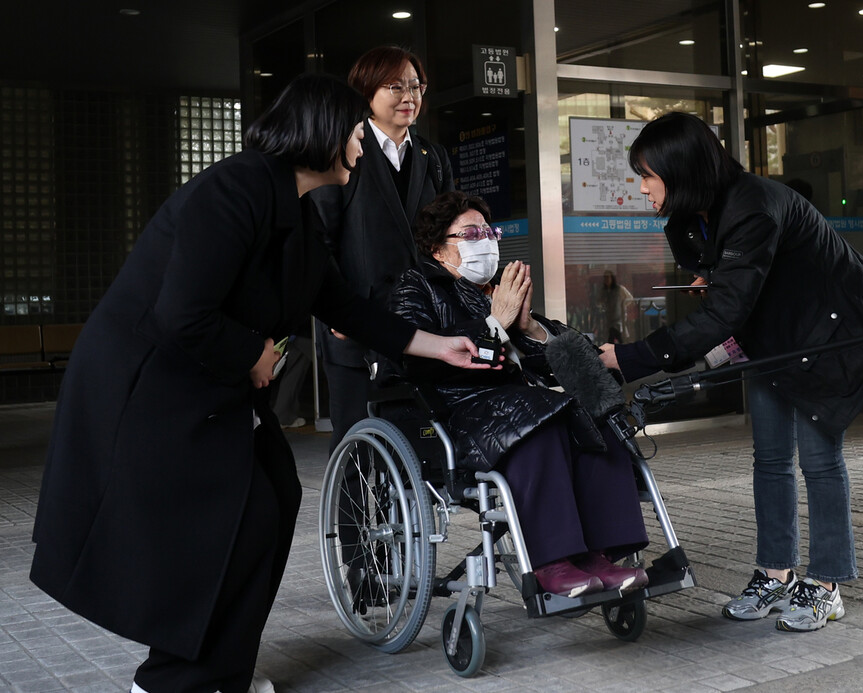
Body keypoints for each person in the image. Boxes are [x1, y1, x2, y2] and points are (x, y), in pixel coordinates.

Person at [29, 74, 492, 693]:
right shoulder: (235, 188)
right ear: (324, 132)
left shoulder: (295, 214)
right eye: (357, 132)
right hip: (147, 388)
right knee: (229, 521)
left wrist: (438, 344)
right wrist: (253, 355)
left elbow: (346, 307)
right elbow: (181, 313)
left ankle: (219, 672)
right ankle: (172, 681)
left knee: (274, 496)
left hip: (206, 383)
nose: (362, 144)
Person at [599, 111, 863, 632]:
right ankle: (775, 573)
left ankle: (825, 584)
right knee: (771, 457)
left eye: (647, 175)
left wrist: (630, 359)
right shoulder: (695, 216)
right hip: (777, 335)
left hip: (836, 331)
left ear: (682, 169)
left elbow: (724, 314)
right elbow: (729, 287)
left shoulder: (753, 205)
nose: (641, 188)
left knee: (820, 459)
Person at [386, 190, 650, 598]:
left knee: (594, 417)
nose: (486, 240)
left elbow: (561, 351)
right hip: (457, 407)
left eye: (489, 232)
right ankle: (551, 561)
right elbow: (419, 358)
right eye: (470, 233)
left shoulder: (494, 289)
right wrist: (495, 323)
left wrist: (527, 328)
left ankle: (600, 554)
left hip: (518, 403)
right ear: (438, 249)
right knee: (539, 421)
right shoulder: (416, 287)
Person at [307, 45, 454, 456]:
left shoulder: (434, 157)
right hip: (354, 323)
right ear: (366, 92)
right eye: (396, 86)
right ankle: (350, 524)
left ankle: (412, 521)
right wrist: (336, 308)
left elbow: (446, 234)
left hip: (419, 321)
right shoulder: (343, 152)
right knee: (356, 442)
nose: (410, 96)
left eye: (416, 85)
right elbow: (319, 239)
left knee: (414, 438)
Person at [599, 269, 634, 343]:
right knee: (611, 336)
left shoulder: (619, 289)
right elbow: (599, 302)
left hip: (618, 318)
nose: (607, 280)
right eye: (605, 278)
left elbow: (629, 298)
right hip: (609, 318)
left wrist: (623, 305)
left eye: (608, 278)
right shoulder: (604, 291)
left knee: (617, 333)